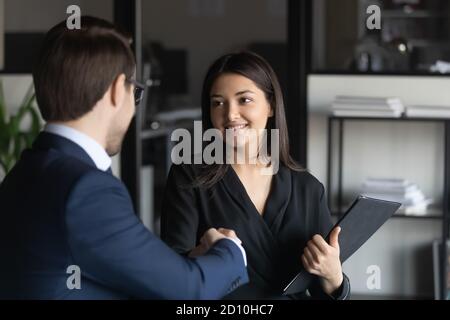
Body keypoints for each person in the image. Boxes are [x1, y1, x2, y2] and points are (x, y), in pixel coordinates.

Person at [0, 17, 248, 300]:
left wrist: (189, 262)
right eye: (136, 91)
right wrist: (230, 251)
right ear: (119, 90)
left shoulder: (24, 171)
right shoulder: (86, 189)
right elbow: (190, 291)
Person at [161, 52, 350, 299]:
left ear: (271, 105)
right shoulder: (189, 176)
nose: (229, 114)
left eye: (244, 100)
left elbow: (322, 289)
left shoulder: (308, 189)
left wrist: (334, 277)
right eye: (218, 102)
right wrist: (206, 253)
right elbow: (171, 272)